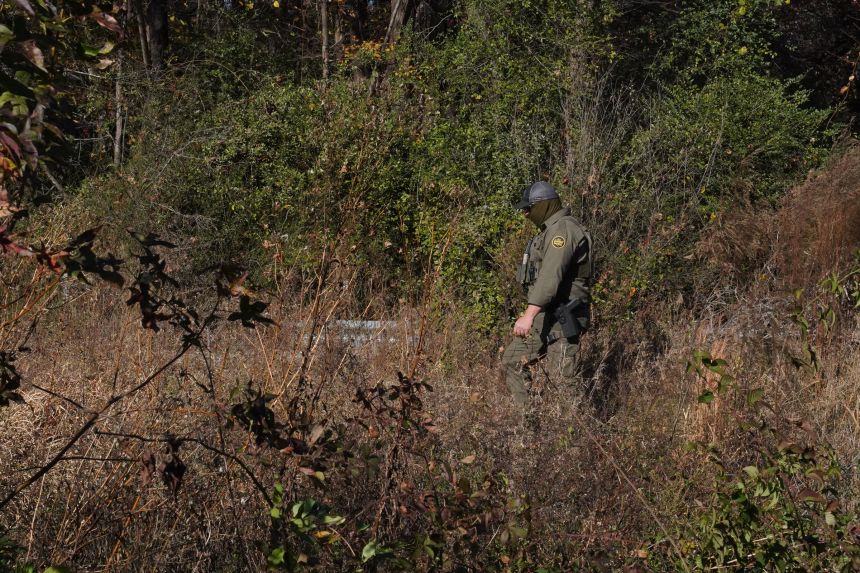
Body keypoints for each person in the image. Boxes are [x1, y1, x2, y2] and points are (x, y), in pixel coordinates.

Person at [501, 181, 593, 415]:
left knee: (562, 381)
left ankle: (575, 437)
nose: (525, 213)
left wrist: (528, 315)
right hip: (546, 315)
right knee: (512, 360)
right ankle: (527, 425)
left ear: (543, 205)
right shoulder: (551, 230)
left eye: (529, 208)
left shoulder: (563, 230)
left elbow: (550, 277)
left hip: (563, 316)